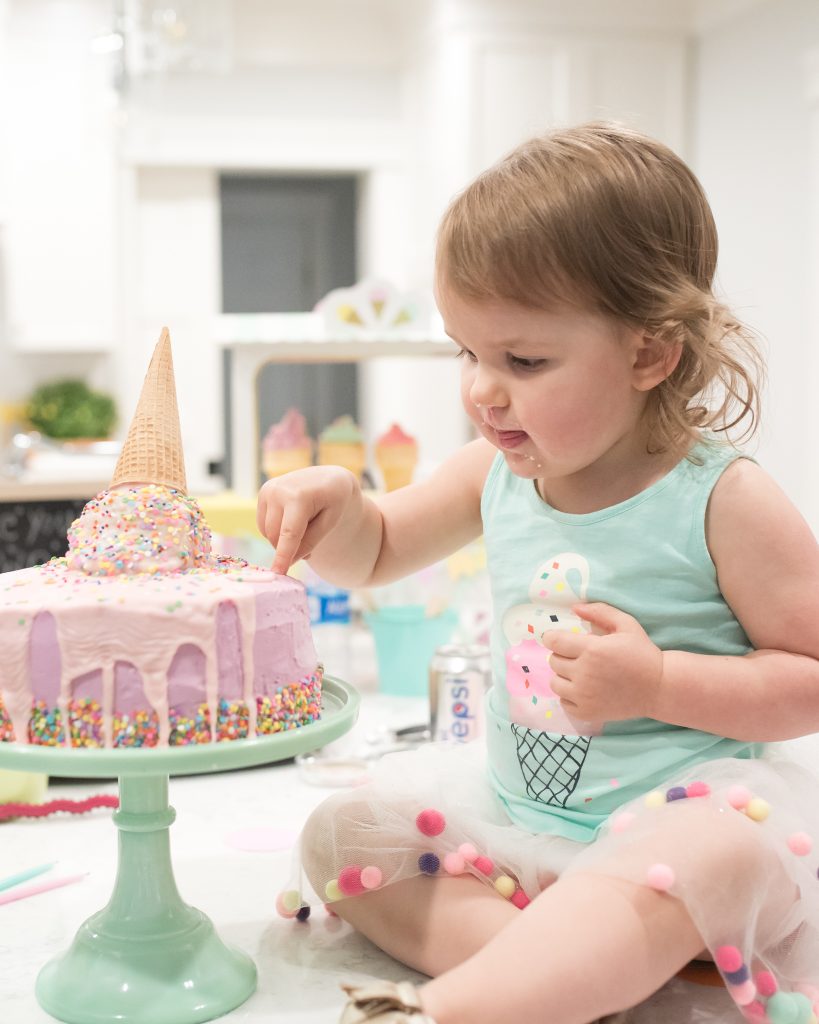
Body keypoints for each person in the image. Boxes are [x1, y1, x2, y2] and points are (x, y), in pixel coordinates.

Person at [256, 122, 819, 1024]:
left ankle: (467, 1006)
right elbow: (375, 551)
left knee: (708, 856)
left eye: (522, 360)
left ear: (649, 353)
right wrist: (341, 505)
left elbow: (810, 680)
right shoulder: (496, 472)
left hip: (684, 821)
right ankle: (576, 979)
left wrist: (659, 682)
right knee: (342, 835)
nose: (483, 388)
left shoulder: (721, 498)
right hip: (521, 826)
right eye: (467, 353)